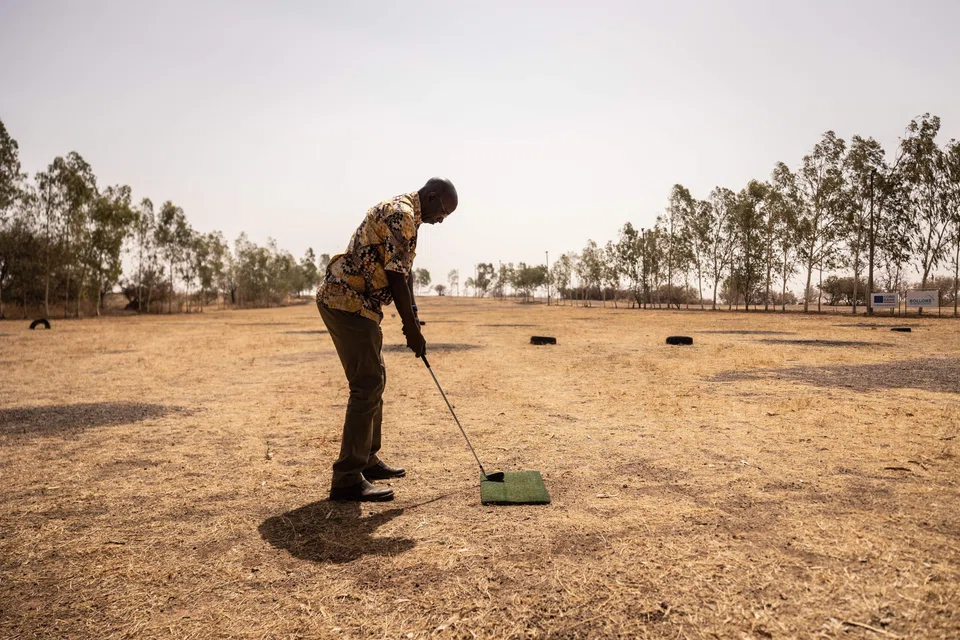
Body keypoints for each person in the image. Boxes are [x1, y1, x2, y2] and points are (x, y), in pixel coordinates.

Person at [316, 177, 458, 502]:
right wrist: (411, 330)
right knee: (366, 384)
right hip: (345, 300)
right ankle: (348, 478)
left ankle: (367, 459)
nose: (441, 220)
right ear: (433, 197)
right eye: (444, 213)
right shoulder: (402, 214)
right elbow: (395, 278)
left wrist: (414, 319)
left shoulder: (408, 216)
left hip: (361, 305)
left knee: (375, 380)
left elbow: (404, 276)